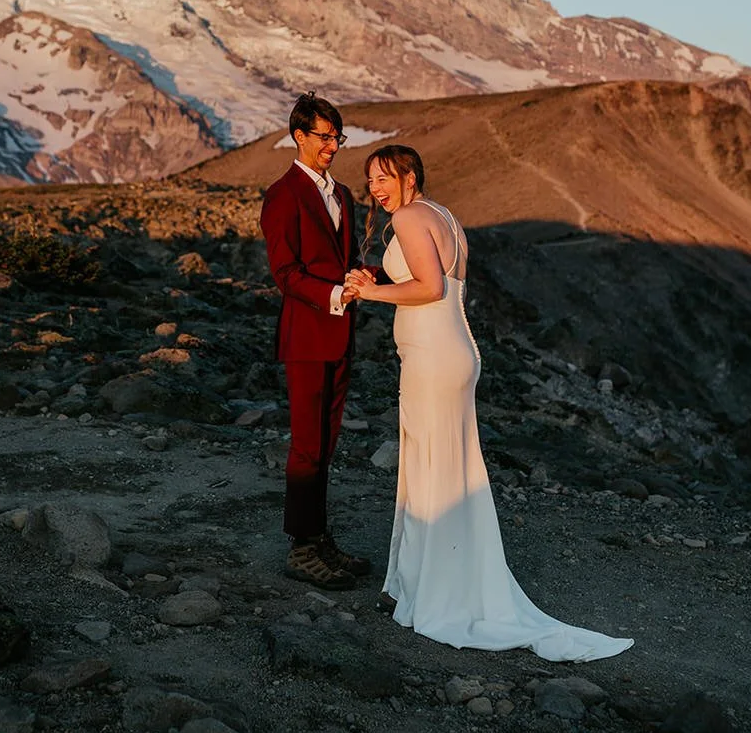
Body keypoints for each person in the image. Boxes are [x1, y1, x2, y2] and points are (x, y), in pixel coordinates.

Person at [344, 144, 633, 662]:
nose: (376, 189)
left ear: (410, 176)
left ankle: (436, 597)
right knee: (449, 473)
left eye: (385, 177)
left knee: (433, 475)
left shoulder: (409, 216)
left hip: (435, 356)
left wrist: (367, 294)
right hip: (454, 349)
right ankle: (437, 586)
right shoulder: (443, 216)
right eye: (371, 180)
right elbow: (434, 282)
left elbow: (430, 288)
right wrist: (382, 283)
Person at [259, 92, 370, 590]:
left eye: (337, 137)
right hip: (306, 334)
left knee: (327, 443)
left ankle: (318, 536)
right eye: (324, 136)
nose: (332, 145)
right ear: (299, 136)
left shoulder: (343, 194)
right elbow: (285, 272)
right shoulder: (282, 195)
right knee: (306, 445)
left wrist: (362, 279)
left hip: (341, 331)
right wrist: (333, 294)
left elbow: (344, 258)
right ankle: (302, 549)